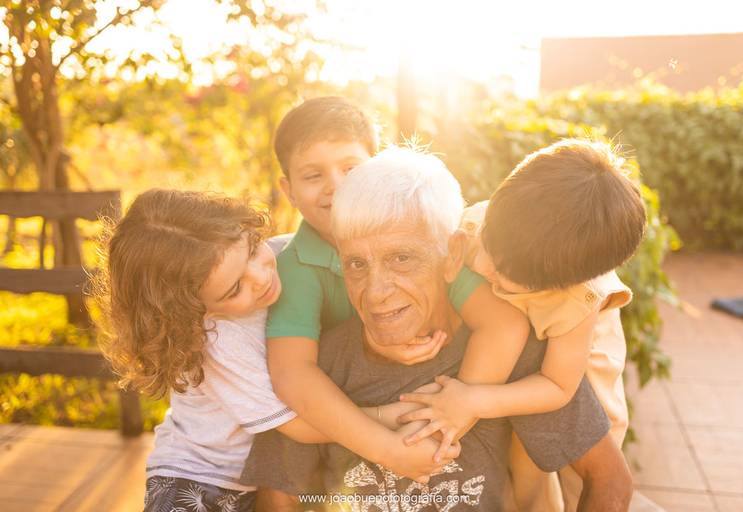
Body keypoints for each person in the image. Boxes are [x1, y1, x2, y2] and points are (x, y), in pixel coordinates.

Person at [241, 147, 633, 511]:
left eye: (401, 259)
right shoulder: (322, 374)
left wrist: (468, 403)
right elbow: (278, 497)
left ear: (453, 257)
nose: (375, 294)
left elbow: (608, 479)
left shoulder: (527, 348)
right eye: (356, 264)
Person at [93, 189, 415, 512]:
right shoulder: (217, 341)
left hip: (258, 473)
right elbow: (300, 424)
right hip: (198, 479)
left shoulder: (288, 257)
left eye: (251, 251)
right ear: (192, 313)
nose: (260, 278)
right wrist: (387, 417)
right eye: (235, 289)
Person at [263, 96, 528, 484]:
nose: (336, 187)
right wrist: (387, 449)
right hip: (353, 418)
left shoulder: (426, 243)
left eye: (350, 169)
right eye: (313, 175)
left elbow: (503, 323)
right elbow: (292, 374)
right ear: (288, 190)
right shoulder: (295, 268)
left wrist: (454, 413)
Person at [397, 140, 645, 511]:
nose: (482, 267)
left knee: (585, 451)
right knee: (517, 454)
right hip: (511, 336)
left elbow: (558, 386)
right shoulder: (487, 225)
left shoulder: (575, 298)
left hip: (579, 352)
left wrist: (474, 400)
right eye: (487, 246)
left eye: (503, 273)